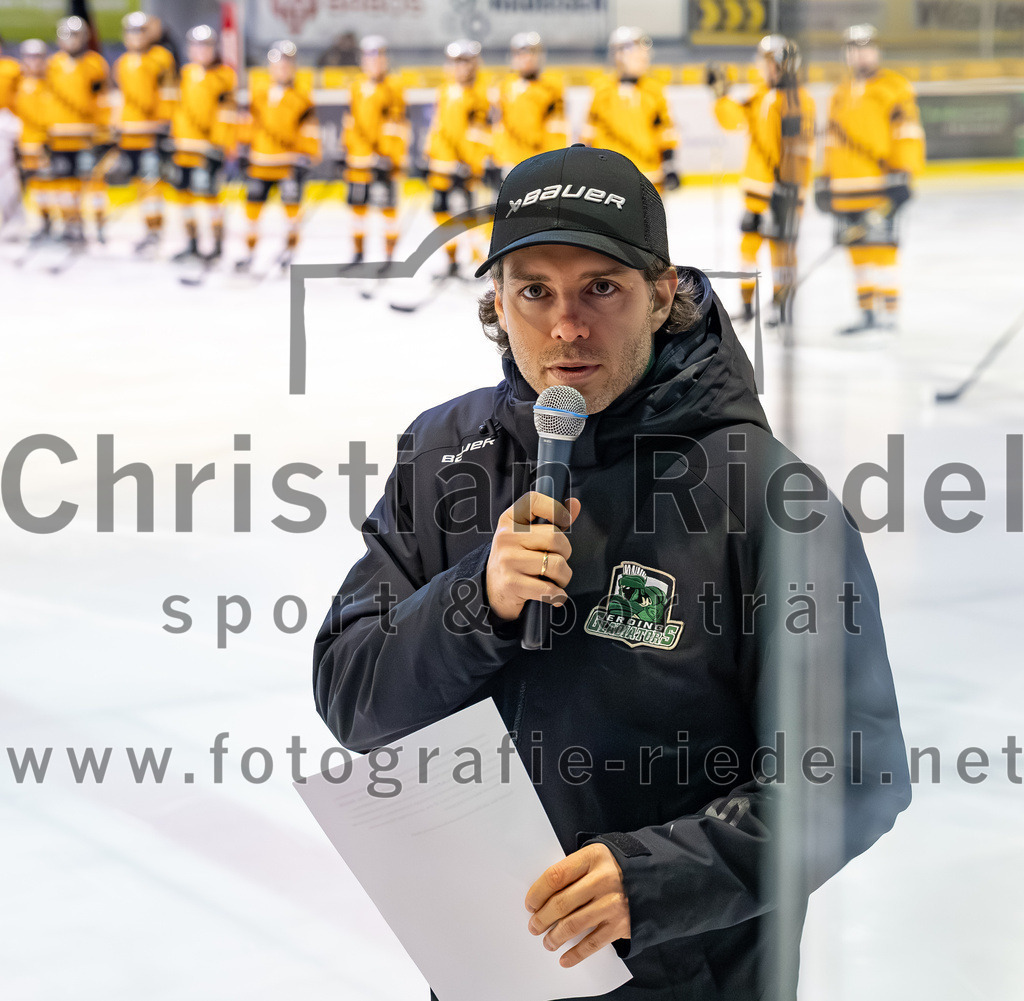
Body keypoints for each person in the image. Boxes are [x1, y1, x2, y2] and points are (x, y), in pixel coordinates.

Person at [312, 145, 911, 1000]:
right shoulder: (445, 455)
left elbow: (855, 770)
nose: (566, 327)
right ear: (496, 303)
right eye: (534, 291)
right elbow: (352, 696)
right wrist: (474, 602)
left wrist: (653, 879)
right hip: (489, 969)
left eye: (600, 287)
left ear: (661, 294)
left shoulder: (767, 497)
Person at [816, 24, 925, 334]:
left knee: (883, 251)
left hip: (881, 187)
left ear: (877, 52)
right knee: (857, 254)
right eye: (854, 49)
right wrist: (824, 180)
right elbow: (832, 142)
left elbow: (907, 133)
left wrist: (905, 173)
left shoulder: (895, 87)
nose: (860, 55)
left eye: (866, 49)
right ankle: (866, 313)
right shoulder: (840, 93)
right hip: (845, 189)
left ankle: (888, 314)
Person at [707, 36, 815, 326]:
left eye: (768, 62)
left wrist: (791, 186)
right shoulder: (759, 95)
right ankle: (747, 305)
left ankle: (782, 306)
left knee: (781, 252)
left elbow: (801, 149)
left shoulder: (799, 100)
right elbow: (734, 122)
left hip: (784, 191)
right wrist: (721, 95)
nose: (763, 68)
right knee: (748, 249)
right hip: (755, 189)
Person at [235, 39, 320, 272]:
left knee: (292, 212)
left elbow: (309, 130)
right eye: (278, 63)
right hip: (260, 163)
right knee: (252, 211)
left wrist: (308, 155)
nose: (282, 68)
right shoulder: (259, 94)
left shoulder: (302, 97)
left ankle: (289, 252)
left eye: (286, 63)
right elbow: (249, 124)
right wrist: (242, 147)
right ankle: (249, 253)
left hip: (287, 165)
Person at [167, 24, 237, 262]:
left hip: (208, 150)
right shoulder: (185, 74)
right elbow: (176, 108)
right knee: (183, 195)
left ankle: (216, 244)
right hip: (183, 148)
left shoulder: (224, 76)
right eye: (196, 46)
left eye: (206, 46)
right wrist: (172, 137)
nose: (201, 51)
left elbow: (226, 114)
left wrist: (219, 144)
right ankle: (192, 242)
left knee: (209, 196)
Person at [424, 38, 491, 277]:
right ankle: (452, 261)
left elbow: (481, 134)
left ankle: (480, 264)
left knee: (471, 216)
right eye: (456, 62)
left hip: (465, 168)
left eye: (465, 61)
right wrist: (429, 154)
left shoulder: (481, 95)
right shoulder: (444, 91)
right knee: (440, 211)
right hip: (442, 166)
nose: (460, 67)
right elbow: (437, 127)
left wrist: (472, 164)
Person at [583, 26, 679, 192]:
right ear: (619, 54)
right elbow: (590, 132)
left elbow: (665, 131)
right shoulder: (601, 89)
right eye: (637, 52)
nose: (643, 56)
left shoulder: (654, 90)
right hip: (609, 178)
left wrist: (669, 165)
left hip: (649, 177)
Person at [111, 11, 176, 253]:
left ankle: (155, 231)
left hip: (151, 135)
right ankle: (147, 229)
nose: (135, 36)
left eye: (140, 30)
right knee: (140, 183)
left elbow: (169, 93)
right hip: (129, 135)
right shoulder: (121, 63)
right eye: (131, 31)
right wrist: (115, 126)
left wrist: (165, 125)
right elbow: (120, 99)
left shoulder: (161, 58)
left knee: (152, 184)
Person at [340, 34, 407, 269]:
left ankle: (389, 257)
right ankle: (358, 254)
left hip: (383, 161)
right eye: (369, 56)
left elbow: (397, 125)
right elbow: (350, 123)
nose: (375, 61)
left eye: (379, 56)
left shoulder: (394, 86)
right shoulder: (356, 87)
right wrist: (346, 150)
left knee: (387, 209)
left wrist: (389, 156)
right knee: (357, 209)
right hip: (359, 161)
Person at [43, 16, 110, 244]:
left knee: (94, 184)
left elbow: (102, 100)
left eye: (75, 35)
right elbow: (48, 99)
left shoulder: (95, 64)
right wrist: (46, 131)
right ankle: (71, 224)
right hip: (60, 137)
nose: (70, 40)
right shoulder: (52, 64)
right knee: (64, 185)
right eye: (66, 35)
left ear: (84, 37)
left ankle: (99, 226)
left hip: (86, 137)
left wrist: (103, 133)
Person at [489, 32, 567, 183]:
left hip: (540, 162)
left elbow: (557, 129)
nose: (527, 58)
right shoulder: (502, 88)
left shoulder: (552, 88)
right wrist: (497, 159)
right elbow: (496, 126)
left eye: (532, 52)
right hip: (509, 163)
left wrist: (553, 161)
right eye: (521, 53)